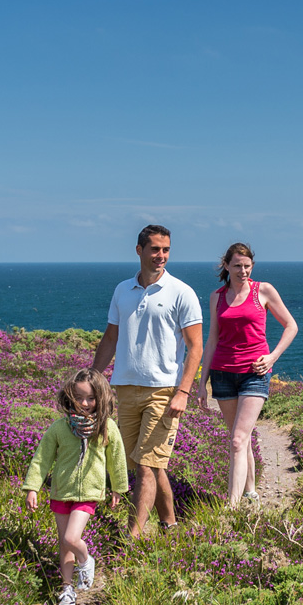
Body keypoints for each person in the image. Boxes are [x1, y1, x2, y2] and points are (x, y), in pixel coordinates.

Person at [90, 225, 204, 539]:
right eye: (155, 249)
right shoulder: (122, 290)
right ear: (139, 250)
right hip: (125, 388)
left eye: (166, 250)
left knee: (145, 465)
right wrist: (92, 377)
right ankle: (170, 524)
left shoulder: (181, 292)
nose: (161, 256)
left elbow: (196, 347)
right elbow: (111, 337)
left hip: (164, 392)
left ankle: (133, 538)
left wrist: (183, 391)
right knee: (146, 465)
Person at [196, 243, 299, 506]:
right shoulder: (216, 297)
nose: (243, 271)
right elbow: (212, 340)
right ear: (226, 266)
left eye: (247, 266)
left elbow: (291, 326)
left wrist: (272, 356)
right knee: (239, 439)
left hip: (255, 373)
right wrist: (201, 381)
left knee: (238, 439)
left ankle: (231, 507)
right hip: (222, 373)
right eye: (237, 266)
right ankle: (251, 492)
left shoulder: (262, 290)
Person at [21, 369, 129, 605]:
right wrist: (32, 488)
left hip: (89, 494)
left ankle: (85, 559)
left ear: (100, 399)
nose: (84, 403)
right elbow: (42, 458)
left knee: (72, 538)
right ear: (70, 397)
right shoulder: (60, 427)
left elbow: (117, 459)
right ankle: (67, 589)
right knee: (64, 542)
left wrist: (118, 489)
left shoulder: (107, 427)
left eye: (91, 398)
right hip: (61, 491)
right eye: (79, 397)